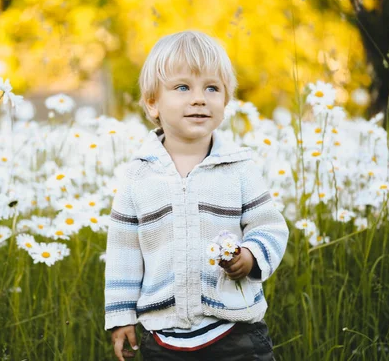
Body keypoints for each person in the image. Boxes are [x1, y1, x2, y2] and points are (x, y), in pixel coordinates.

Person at [104, 30, 289, 361]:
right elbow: (123, 251)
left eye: (212, 88)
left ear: (225, 102)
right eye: (182, 87)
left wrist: (250, 255)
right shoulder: (137, 175)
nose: (199, 98)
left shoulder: (240, 167)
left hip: (235, 333)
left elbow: (270, 226)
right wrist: (120, 318)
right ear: (152, 103)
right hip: (162, 339)